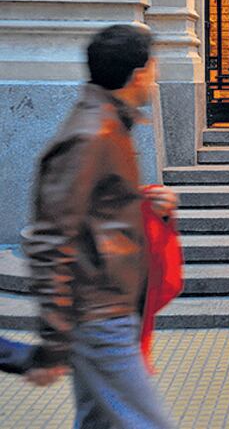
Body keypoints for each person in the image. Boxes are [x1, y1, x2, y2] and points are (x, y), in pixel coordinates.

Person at [22, 24, 177, 427]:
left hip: (108, 311)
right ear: (138, 74)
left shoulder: (109, 125)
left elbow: (90, 211)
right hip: (99, 317)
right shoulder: (92, 134)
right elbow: (51, 238)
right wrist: (54, 340)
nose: (156, 75)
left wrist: (140, 202)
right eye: (154, 66)